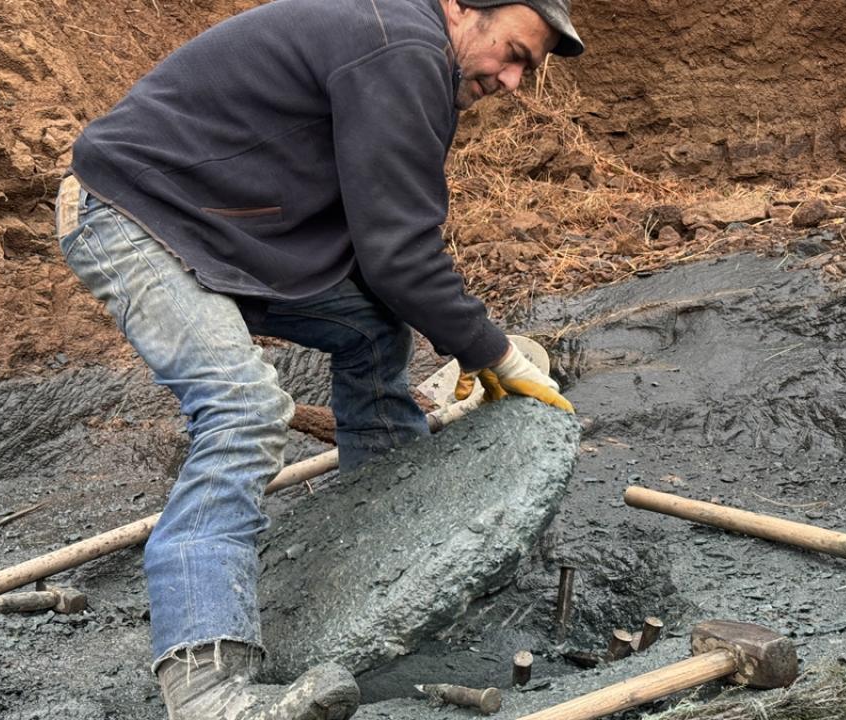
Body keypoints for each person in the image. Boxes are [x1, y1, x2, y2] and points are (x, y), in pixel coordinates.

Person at [54, 0, 582, 718]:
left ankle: (388, 545)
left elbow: (380, 239)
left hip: (214, 224)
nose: (514, 82)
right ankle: (205, 686)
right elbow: (401, 254)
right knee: (242, 411)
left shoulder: (410, 48)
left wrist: (469, 341)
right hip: (132, 215)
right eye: (515, 54)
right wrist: (496, 352)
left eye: (528, 69)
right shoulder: (402, 46)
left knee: (371, 330)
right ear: (463, 6)